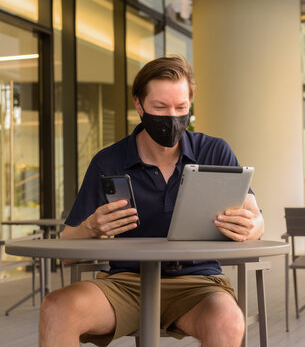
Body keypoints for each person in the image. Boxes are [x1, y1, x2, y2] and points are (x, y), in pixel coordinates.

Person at [39, 55, 264, 347]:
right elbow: (66, 250)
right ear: (139, 105)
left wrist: (250, 227)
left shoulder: (215, 151)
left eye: (181, 107)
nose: (171, 117)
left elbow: (257, 222)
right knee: (58, 308)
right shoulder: (108, 161)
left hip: (197, 284)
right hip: (125, 283)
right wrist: (92, 227)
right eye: (160, 107)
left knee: (228, 321)